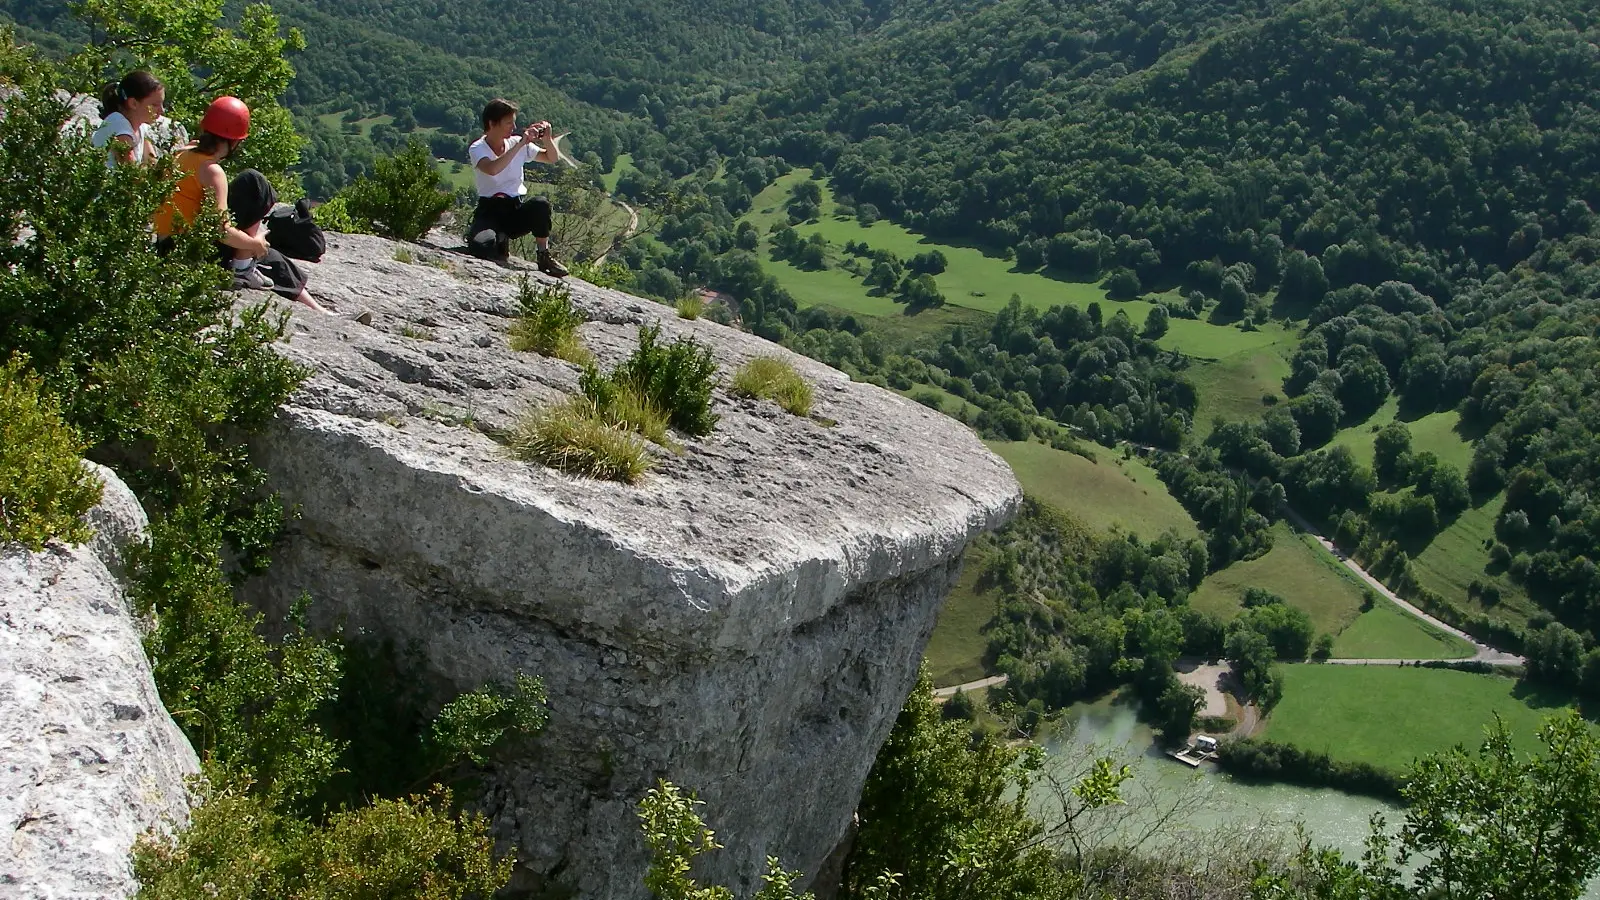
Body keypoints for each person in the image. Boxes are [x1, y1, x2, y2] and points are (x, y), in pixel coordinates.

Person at [153, 96, 333, 313]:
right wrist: (252, 244)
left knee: (270, 256)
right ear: (235, 140)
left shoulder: (182, 153)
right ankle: (243, 268)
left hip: (167, 247)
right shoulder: (212, 171)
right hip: (191, 254)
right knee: (254, 184)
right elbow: (220, 231)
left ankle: (321, 311)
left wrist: (250, 243)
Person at [466, 98, 568, 276]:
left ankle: (543, 254)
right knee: (482, 248)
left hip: (514, 208)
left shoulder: (516, 143)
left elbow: (551, 158)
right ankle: (497, 239)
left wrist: (547, 139)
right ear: (492, 123)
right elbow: (492, 169)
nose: (513, 128)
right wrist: (521, 143)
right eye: (508, 123)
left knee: (540, 205)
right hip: (489, 209)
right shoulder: (478, 148)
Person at [91, 71, 163, 169]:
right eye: (155, 105)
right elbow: (131, 174)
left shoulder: (141, 127)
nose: (161, 110)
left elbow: (153, 163)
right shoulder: (118, 124)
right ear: (133, 103)